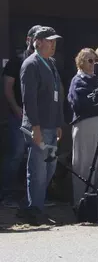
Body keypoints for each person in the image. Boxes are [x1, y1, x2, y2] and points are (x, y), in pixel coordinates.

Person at [18, 27, 65, 225]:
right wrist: (35, 127)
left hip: (51, 126)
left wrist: (59, 123)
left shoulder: (51, 63)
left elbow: (58, 95)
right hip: (37, 126)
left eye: (55, 41)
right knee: (37, 169)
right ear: (37, 42)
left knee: (50, 168)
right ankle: (35, 210)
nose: (53, 45)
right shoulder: (31, 64)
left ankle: (33, 206)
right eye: (49, 41)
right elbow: (29, 99)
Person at [67, 48, 98, 208]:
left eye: (95, 60)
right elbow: (79, 104)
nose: (94, 63)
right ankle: (82, 205)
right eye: (90, 60)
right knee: (85, 165)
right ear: (81, 62)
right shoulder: (78, 80)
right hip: (85, 125)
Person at [1, 25, 39, 207]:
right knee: (16, 153)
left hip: (39, 118)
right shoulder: (16, 62)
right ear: (28, 39)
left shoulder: (45, 63)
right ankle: (6, 194)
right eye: (35, 38)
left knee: (36, 156)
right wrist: (17, 109)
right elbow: (7, 88)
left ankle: (32, 198)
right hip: (19, 116)